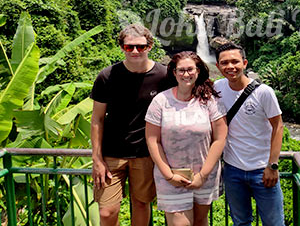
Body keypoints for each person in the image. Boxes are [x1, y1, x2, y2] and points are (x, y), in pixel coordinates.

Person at [90, 24, 171, 226]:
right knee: (107, 212)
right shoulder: (107, 76)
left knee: (142, 205)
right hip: (111, 155)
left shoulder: (163, 76)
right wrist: (97, 159)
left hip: (145, 153)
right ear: (122, 48)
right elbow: (97, 119)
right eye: (129, 47)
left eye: (140, 47)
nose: (135, 51)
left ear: (150, 46)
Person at [145, 51, 227, 226]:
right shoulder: (160, 101)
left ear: (198, 71)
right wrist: (169, 175)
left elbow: (219, 139)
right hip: (171, 176)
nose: (186, 74)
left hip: (204, 175)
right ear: (174, 73)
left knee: (200, 221)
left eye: (190, 69)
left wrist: (202, 175)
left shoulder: (209, 100)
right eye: (181, 70)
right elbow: (153, 140)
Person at [214, 42, 284, 226]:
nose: (230, 67)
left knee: (274, 223)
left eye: (235, 62)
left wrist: (273, 165)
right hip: (232, 170)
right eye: (224, 63)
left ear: (244, 63)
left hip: (262, 170)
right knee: (241, 222)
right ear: (218, 66)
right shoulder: (217, 88)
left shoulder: (264, 92)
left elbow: (278, 127)